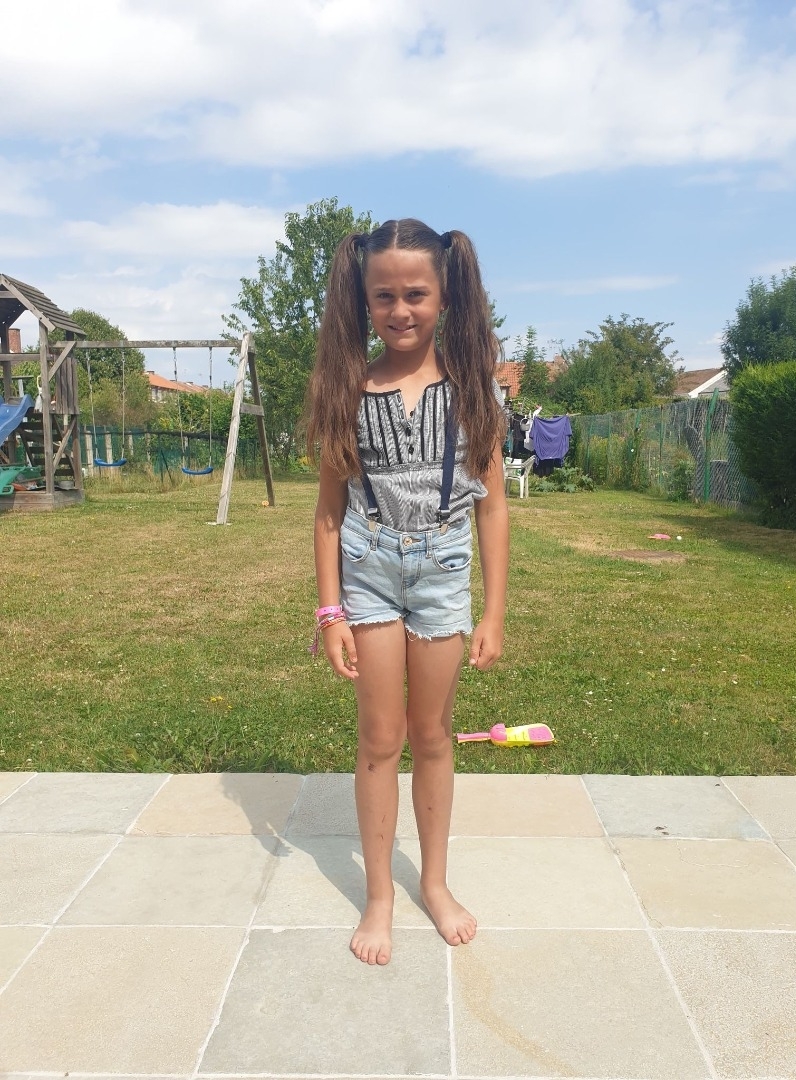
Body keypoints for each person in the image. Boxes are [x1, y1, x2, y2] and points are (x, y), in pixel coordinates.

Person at [306, 218, 509, 965]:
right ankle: (379, 896)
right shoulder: (347, 389)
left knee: (432, 736)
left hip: (444, 576)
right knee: (379, 738)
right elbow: (328, 515)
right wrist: (331, 611)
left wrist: (493, 611)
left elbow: (493, 506)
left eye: (416, 294)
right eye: (384, 296)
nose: (400, 310)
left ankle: (434, 882)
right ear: (363, 300)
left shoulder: (473, 391)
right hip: (369, 574)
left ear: (445, 294)